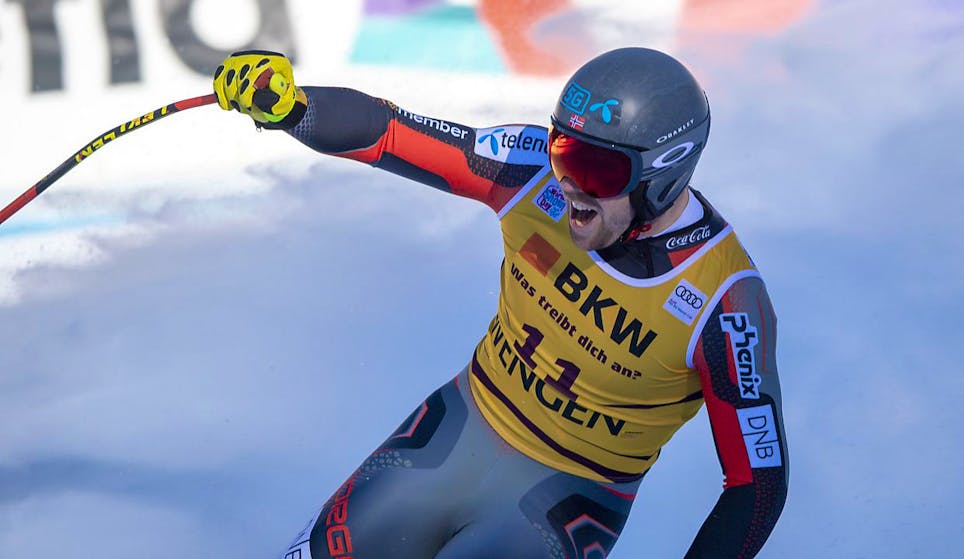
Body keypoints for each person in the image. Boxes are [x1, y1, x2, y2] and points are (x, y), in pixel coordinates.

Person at [214, 46, 788, 559]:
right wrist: (295, 108)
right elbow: (390, 133)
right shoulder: (529, 172)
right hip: (456, 433)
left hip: (562, 499)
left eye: (597, 169)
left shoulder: (726, 302)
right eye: (564, 151)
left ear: (664, 173)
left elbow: (756, 485)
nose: (569, 184)